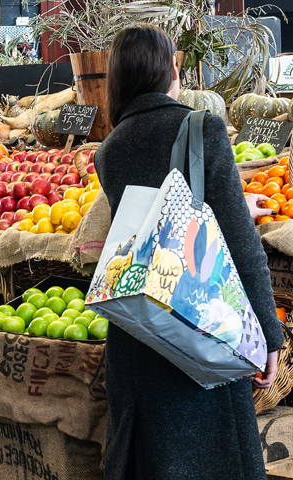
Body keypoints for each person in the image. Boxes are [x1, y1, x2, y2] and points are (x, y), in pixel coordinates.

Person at [94, 25, 284, 479]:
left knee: (150, 460)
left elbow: (157, 210)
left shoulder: (108, 150)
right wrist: (269, 338)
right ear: (170, 71)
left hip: (139, 327)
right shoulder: (202, 127)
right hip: (197, 318)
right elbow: (240, 243)